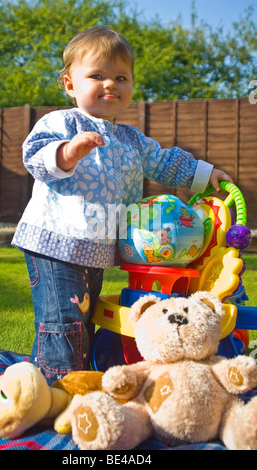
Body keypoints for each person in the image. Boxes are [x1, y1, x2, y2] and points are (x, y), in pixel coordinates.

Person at [12, 26, 234, 384]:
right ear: (70, 84)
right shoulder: (61, 122)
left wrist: (203, 173)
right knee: (62, 323)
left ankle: (79, 378)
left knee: (85, 316)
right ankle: (58, 388)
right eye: (96, 75)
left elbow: (165, 162)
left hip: (96, 247)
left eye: (120, 77)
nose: (110, 84)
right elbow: (35, 157)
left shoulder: (132, 139)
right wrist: (68, 152)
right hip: (56, 242)